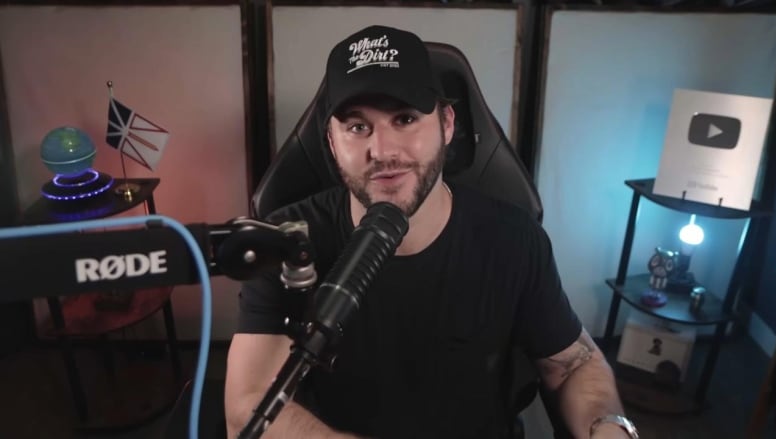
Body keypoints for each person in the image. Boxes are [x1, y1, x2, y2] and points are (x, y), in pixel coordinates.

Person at [225, 25, 637, 439]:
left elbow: (573, 365)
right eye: (356, 127)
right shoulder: (287, 241)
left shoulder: (513, 239)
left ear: (446, 125)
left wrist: (609, 427)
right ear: (331, 143)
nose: (383, 150)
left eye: (404, 119)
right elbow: (249, 407)